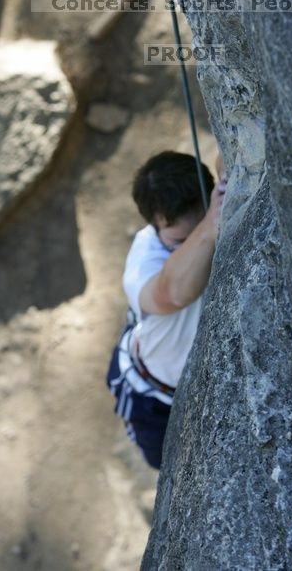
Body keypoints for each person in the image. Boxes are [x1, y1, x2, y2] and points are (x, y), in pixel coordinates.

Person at [106, 150, 226, 469]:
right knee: (167, 466)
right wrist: (210, 227)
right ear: (156, 224)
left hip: (187, 385)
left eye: (199, 225)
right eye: (180, 240)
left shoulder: (214, 204)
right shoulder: (143, 261)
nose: (193, 243)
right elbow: (170, 294)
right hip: (151, 399)